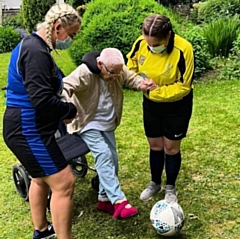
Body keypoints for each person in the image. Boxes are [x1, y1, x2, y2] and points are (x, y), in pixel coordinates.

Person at [3, 3, 81, 239]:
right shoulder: (36, 52)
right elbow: (42, 101)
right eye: (72, 34)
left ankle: (42, 232)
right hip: (27, 129)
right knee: (64, 183)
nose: (72, 40)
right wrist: (69, 109)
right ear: (58, 27)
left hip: (26, 126)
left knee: (40, 177)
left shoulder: (37, 47)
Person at [61, 48, 156, 219]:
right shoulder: (84, 72)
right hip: (86, 122)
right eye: (112, 73)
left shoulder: (116, 69)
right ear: (100, 64)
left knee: (112, 160)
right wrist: (66, 106)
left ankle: (104, 199)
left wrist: (141, 85)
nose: (114, 77)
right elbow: (65, 86)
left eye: (117, 74)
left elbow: (131, 78)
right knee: (103, 154)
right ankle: (119, 201)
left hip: (107, 122)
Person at [126, 14, 194, 203]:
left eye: (155, 45)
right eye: (149, 44)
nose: (151, 48)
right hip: (151, 104)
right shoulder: (140, 43)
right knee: (155, 145)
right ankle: (154, 183)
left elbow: (184, 86)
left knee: (171, 148)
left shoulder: (184, 49)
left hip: (176, 105)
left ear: (167, 36)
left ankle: (170, 187)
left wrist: (155, 92)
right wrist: (139, 82)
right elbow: (130, 66)